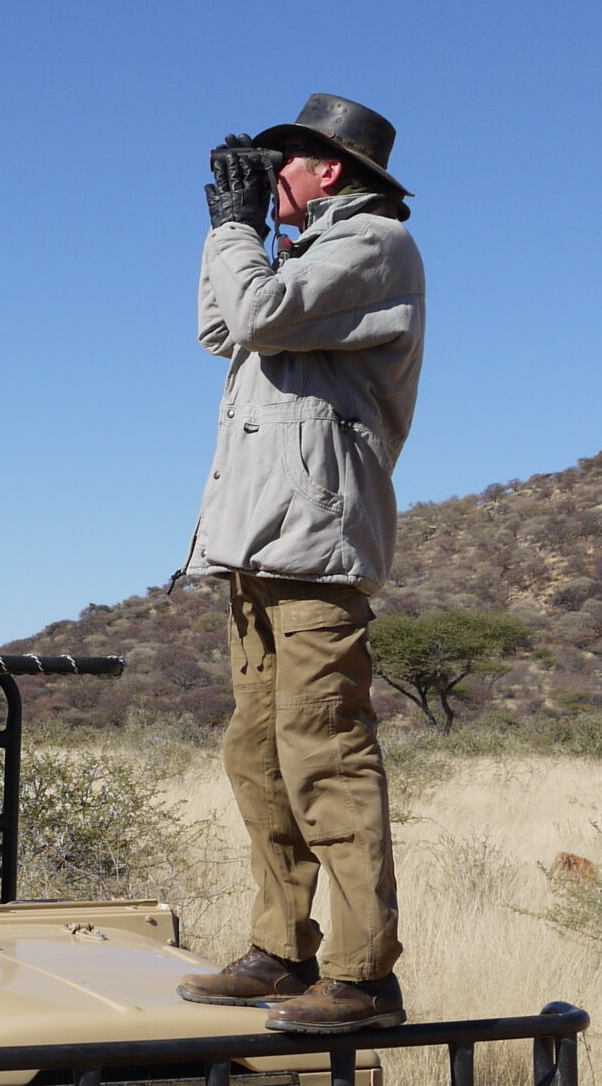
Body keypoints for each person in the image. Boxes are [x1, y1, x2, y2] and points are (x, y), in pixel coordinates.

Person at [170, 95, 426, 1034]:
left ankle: (362, 975)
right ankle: (282, 949)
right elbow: (219, 327)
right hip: (258, 545)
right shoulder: (305, 256)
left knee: (325, 750)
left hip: (314, 545)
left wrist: (239, 233)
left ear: (333, 170)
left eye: (284, 161)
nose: (270, 175)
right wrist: (229, 233)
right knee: (258, 754)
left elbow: (258, 313)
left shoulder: (377, 247)